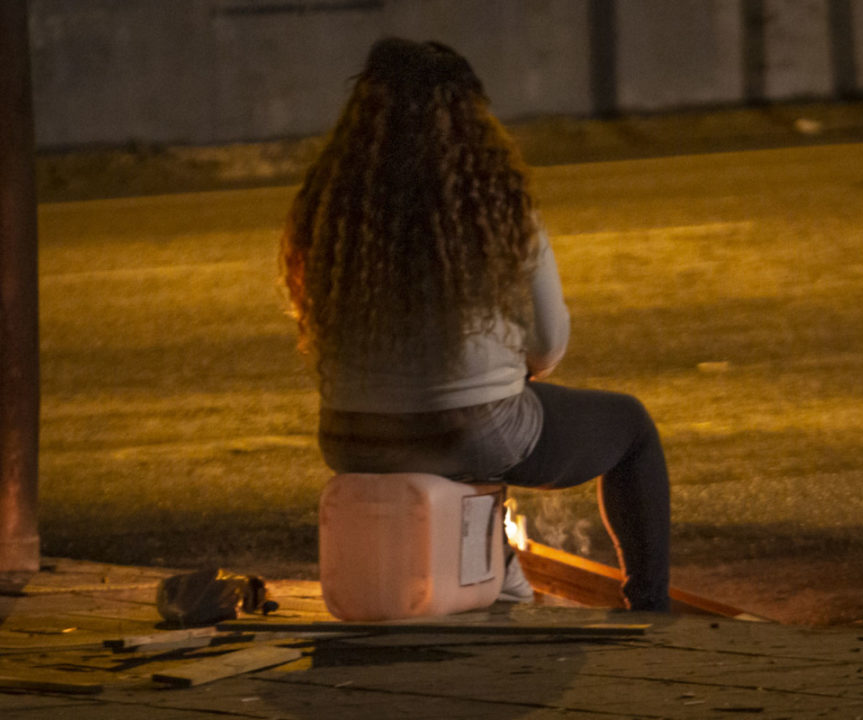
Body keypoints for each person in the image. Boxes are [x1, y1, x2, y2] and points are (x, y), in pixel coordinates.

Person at [280, 38, 671, 612]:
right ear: (471, 120)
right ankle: (651, 609)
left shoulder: (327, 213)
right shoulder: (495, 205)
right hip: (467, 432)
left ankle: (498, 574)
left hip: (351, 435)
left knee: (487, 423)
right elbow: (549, 344)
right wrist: (514, 370)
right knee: (630, 428)